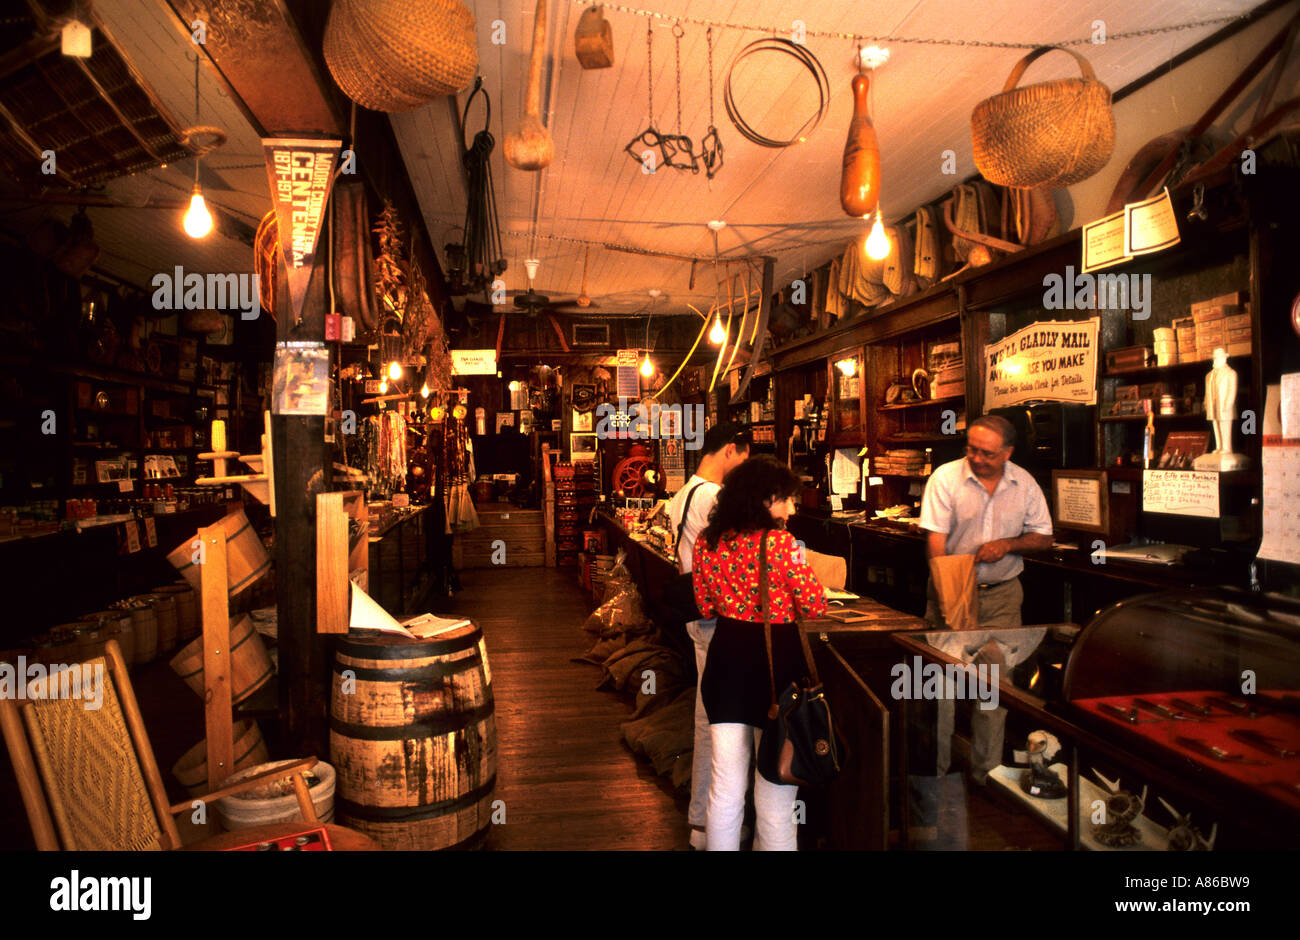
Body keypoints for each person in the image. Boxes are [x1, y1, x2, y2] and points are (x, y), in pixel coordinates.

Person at [692, 456, 827, 851]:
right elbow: (814, 605)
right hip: (776, 670)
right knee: (776, 788)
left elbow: (703, 605)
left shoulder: (708, 541)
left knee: (726, 786)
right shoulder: (780, 543)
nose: (792, 508)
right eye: (786, 499)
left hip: (726, 664)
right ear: (765, 500)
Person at [916, 414, 1053, 804]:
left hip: (1002, 597)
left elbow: (1044, 537)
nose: (976, 457)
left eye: (986, 453)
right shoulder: (945, 478)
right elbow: (936, 541)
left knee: (993, 689)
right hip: (952, 589)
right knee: (941, 688)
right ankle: (936, 778)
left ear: (1007, 453)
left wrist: (1008, 544)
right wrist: (949, 592)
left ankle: (986, 776)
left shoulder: (1024, 483)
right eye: (971, 448)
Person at [666, 422, 751, 850]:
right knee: (717, 720)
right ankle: (710, 822)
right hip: (715, 617)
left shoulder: (684, 492)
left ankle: (704, 823)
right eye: (744, 459)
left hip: (695, 612)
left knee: (707, 715)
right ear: (731, 451)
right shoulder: (715, 497)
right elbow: (734, 556)